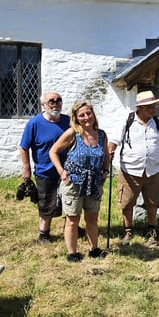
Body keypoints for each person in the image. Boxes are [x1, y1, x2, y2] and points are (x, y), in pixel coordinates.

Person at [49, 101, 111, 262]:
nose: (86, 117)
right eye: (81, 115)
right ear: (76, 118)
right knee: (73, 219)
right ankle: (72, 253)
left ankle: (94, 249)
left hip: (94, 182)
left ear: (93, 114)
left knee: (92, 218)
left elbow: (106, 155)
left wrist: (105, 171)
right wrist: (61, 171)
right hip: (73, 183)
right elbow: (53, 151)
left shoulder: (102, 134)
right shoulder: (73, 133)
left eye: (88, 113)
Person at [108, 90, 159, 248]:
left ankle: (151, 231)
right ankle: (128, 231)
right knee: (127, 202)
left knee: (153, 202)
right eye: (150, 107)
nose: (153, 109)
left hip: (153, 170)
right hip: (130, 170)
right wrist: (109, 154)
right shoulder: (127, 120)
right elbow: (114, 141)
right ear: (140, 108)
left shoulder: (158, 123)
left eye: (154, 106)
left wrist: (157, 161)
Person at [19, 91, 71, 244]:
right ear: (43, 105)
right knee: (46, 202)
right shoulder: (34, 123)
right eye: (51, 101)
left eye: (58, 101)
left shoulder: (68, 121)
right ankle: (44, 234)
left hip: (67, 171)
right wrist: (26, 167)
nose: (55, 104)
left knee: (70, 200)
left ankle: (71, 228)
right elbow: (24, 147)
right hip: (45, 171)